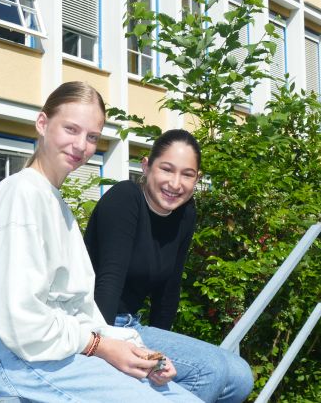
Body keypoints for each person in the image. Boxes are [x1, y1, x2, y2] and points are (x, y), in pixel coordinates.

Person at [0, 82, 202, 403]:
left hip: (52, 348)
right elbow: (20, 322)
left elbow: (78, 312)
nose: (81, 145)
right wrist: (100, 346)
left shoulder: (55, 204)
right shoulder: (21, 195)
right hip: (15, 355)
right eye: (71, 129)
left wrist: (136, 350)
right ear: (43, 123)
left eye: (92, 137)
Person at [85, 129, 254, 403]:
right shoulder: (125, 198)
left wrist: (161, 357)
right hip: (99, 325)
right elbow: (108, 281)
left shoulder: (185, 212)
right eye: (167, 169)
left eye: (187, 174)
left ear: (197, 179)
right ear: (146, 166)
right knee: (210, 370)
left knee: (240, 376)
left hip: (133, 326)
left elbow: (169, 289)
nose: (175, 184)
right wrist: (105, 352)